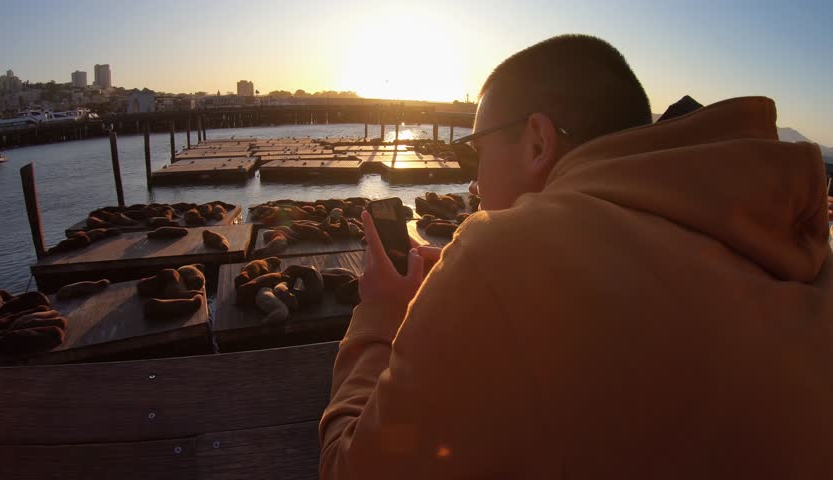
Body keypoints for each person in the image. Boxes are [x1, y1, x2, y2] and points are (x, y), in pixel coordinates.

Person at [320, 34, 833, 479]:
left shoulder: (499, 258)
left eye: (474, 150)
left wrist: (384, 313)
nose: (472, 180)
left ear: (539, 142)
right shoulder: (795, 245)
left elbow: (355, 470)